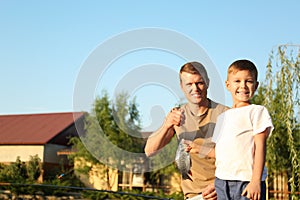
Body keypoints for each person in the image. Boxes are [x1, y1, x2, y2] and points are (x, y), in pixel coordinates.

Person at [144, 61, 228, 200]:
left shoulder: (226, 114)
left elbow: (240, 158)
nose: (195, 88)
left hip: (223, 192)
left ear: (207, 82)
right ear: (182, 86)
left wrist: (219, 184)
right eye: (189, 84)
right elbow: (149, 151)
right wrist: (167, 125)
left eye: (199, 83)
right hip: (193, 196)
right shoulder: (176, 115)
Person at [211, 59, 273, 200]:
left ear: (256, 85)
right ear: (228, 85)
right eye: (237, 81)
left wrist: (255, 181)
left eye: (249, 81)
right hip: (222, 182)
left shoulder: (257, 111)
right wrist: (196, 147)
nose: (243, 86)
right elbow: (220, 153)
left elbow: (260, 146)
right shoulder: (222, 117)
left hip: (246, 182)